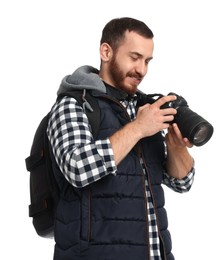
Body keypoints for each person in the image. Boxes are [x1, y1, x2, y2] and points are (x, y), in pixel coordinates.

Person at [47, 17, 195, 260]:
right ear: (106, 51)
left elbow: (182, 183)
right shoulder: (74, 105)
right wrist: (138, 128)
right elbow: (77, 168)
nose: (142, 70)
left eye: (147, 61)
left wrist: (176, 146)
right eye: (134, 57)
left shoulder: (143, 109)